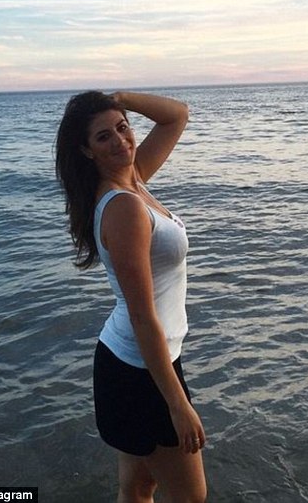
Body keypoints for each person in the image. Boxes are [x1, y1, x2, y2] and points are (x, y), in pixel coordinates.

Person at [55, 90, 207, 503]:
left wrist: (118, 98)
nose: (120, 141)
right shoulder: (123, 207)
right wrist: (178, 404)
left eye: (123, 128)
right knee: (191, 497)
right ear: (86, 150)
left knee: (139, 489)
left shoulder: (134, 177)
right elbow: (143, 316)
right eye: (103, 136)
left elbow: (177, 116)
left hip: (139, 361)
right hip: (141, 371)